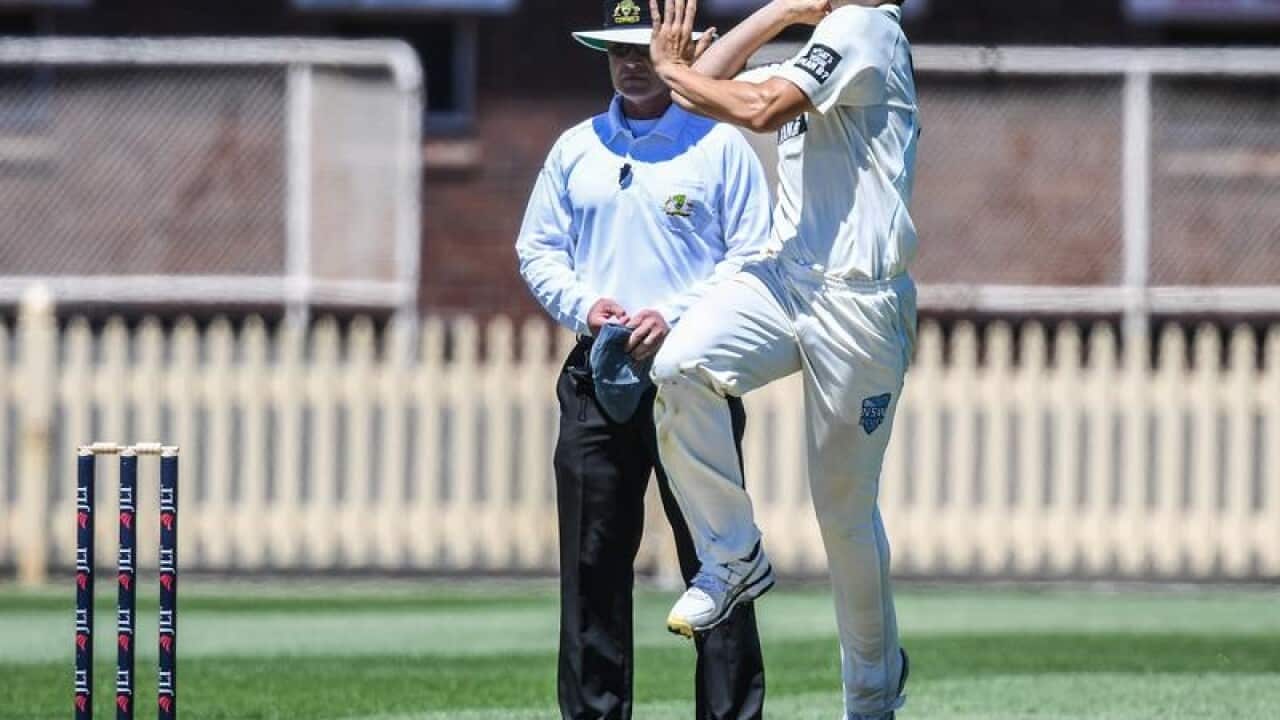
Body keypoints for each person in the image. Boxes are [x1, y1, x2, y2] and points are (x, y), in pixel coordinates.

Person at [643, 1, 920, 718]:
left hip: (859, 302)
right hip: (786, 277)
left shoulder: (865, 28)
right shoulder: (818, 41)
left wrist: (675, 68)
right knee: (680, 366)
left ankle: (872, 695)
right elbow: (696, 87)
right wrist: (779, 12)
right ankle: (732, 555)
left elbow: (758, 108)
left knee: (844, 515)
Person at [515, 1, 774, 717]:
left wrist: (678, 317)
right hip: (596, 374)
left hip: (693, 378)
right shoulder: (577, 147)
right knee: (591, 566)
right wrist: (584, 306)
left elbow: (753, 257)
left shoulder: (718, 145)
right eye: (618, 51)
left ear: (680, 49)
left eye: (645, 49)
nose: (631, 64)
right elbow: (538, 249)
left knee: (717, 560)